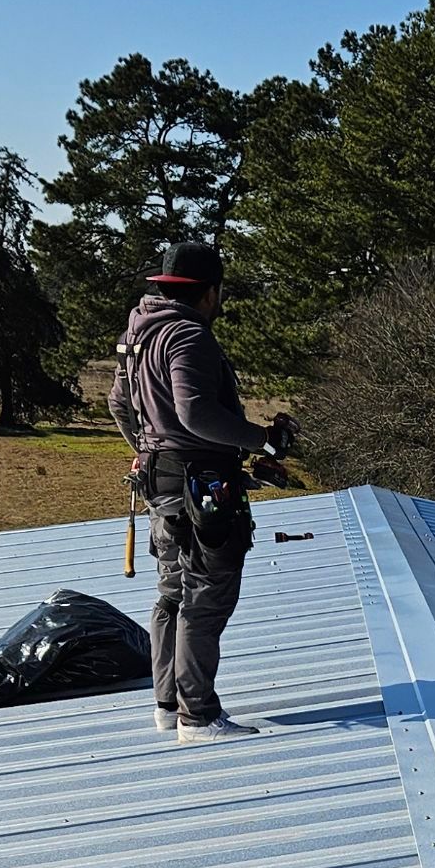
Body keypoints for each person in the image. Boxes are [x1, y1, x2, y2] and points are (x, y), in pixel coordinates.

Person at [109, 242, 294, 744]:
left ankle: (167, 705)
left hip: (158, 481)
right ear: (210, 292)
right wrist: (262, 438)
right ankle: (200, 716)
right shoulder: (189, 337)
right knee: (206, 597)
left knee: (172, 592)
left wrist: (146, 448)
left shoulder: (140, 333)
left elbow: (118, 404)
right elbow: (195, 414)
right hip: (201, 487)